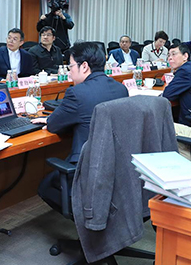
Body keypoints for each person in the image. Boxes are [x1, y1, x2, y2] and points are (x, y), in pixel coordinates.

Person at [34, 42, 128, 209]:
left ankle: (85, 215)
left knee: (45, 186)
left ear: (84, 66)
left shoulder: (76, 93)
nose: (69, 73)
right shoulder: (121, 89)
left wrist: (49, 120)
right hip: (115, 165)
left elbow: (54, 126)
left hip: (87, 168)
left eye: (70, 67)